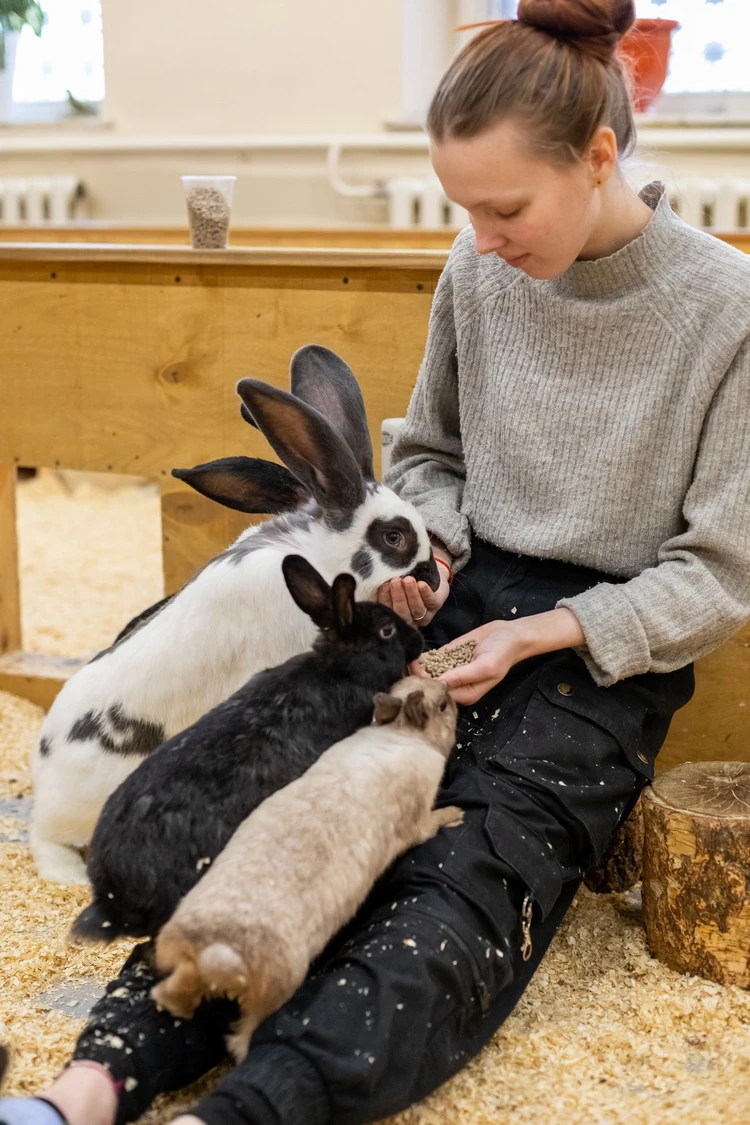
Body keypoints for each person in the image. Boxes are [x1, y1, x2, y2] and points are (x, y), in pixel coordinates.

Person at [2, 1, 748, 1123]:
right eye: (465, 212)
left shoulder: (724, 309)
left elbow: (720, 572)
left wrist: (547, 631)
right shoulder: (481, 266)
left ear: (600, 157)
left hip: (597, 652)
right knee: (288, 821)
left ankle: (251, 1109)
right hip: (453, 592)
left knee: (462, 882)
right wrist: (436, 557)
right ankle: (88, 1087)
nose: (484, 241)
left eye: (506, 208)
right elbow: (431, 455)